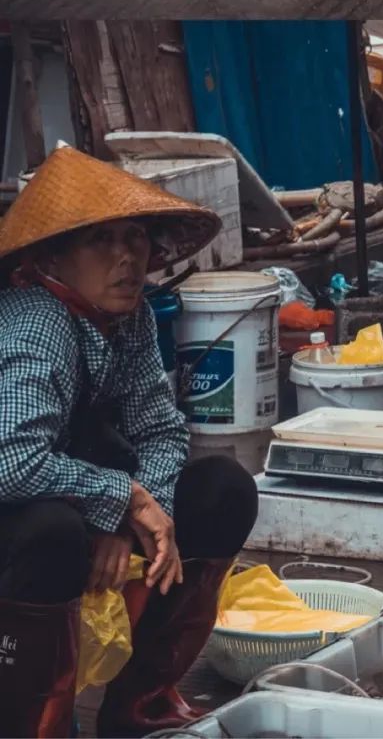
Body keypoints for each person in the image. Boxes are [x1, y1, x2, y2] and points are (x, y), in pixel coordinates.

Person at [0, 145, 258, 739]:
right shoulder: (35, 321)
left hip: (73, 499)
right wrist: (123, 501)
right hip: (23, 519)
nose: (127, 259)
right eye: (101, 241)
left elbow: (160, 428)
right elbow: (10, 461)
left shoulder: (128, 314)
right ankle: (38, 721)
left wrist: (132, 518)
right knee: (51, 535)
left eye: (136, 238)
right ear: (53, 257)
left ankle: (142, 702)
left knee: (222, 488)